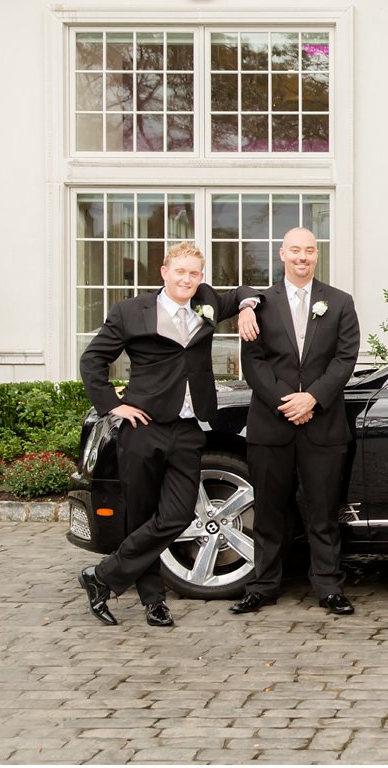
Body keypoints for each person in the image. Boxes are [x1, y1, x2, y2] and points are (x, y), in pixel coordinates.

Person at [76, 241, 260, 627]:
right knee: (141, 517)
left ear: (201, 276)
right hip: (144, 427)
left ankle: (102, 576)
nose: (187, 279)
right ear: (164, 272)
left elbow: (246, 291)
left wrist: (245, 307)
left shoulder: (206, 301)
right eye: (180, 271)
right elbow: (93, 360)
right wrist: (113, 404)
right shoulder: (131, 311)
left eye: (194, 273)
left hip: (188, 429)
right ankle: (154, 602)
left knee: (176, 516)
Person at [230, 227, 362, 617]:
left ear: (316, 256)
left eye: (309, 251)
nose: (302, 257)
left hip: (323, 426)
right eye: (295, 250)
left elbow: (345, 359)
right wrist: (285, 402)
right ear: (282, 253)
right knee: (269, 512)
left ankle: (328, 587)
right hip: (272, 424)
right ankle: (263, 586)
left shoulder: (339, 302)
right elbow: (253, 362)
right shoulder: (258, 305)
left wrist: (313, 398)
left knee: (323, 513)